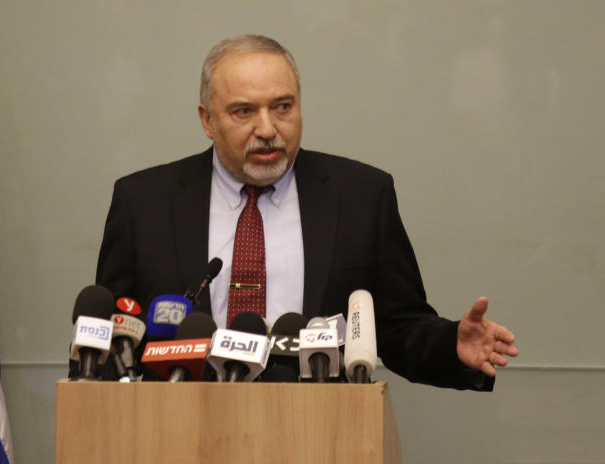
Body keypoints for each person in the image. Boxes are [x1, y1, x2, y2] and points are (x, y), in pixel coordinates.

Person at [95, 35, 518, 389]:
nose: (267, 129)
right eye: (244, 111)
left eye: (283, 107)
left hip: (317, 435)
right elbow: (113, 340)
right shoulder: (143, 203)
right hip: (176, 437)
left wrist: (452, 347)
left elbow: (397, 327)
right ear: (208, 120)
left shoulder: (361, 197)